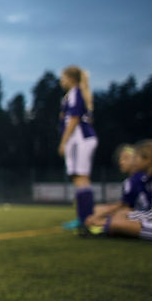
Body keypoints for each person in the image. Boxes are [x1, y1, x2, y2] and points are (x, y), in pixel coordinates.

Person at [103, 139, 152, 242]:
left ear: (148, 160)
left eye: (136, 157)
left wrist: (128, 216)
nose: (134, 161)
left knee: (116, 224)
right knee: (116, 222)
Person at [57, 65, 97, 234]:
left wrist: (64, 142)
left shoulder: (75, 92)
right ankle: (85, 218)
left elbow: (73, 119)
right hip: (84, 139)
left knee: (79, 177)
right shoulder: (79, 93)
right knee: (81, 178)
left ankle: (86, 219)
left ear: (71, 79)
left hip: (78, 140)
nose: (61, 80)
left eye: (63, 77)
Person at [85, 143, 149, 228]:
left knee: (110, 212)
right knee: (98, 209)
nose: (121, 162)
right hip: (141, 212)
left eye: (126, 158)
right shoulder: (136, 178)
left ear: (136, 159)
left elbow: (123, 206)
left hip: (145, 215)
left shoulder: (136, 179)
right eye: (120, 159)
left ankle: (99, 224)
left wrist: (97, 217)